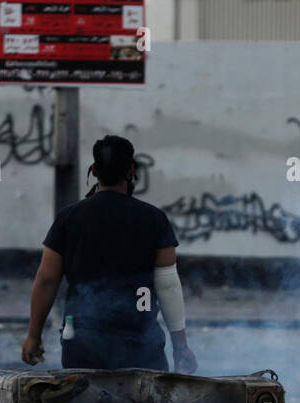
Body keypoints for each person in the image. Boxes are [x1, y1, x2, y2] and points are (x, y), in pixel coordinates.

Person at [22, 135, 197, 373]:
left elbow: (46, 280)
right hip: (140, 342)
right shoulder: (154, 219)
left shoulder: (69, 218)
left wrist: (34, 336)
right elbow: (167, 286)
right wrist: (181, 347)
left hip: (83, 342)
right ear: (131, 170)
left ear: (94, 171)